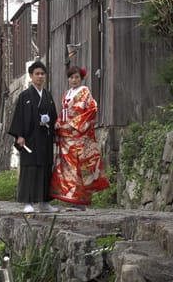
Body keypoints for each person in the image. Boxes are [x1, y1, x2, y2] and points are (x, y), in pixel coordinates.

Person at [50, 66, 109, 211]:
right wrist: (58, 122)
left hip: (79, 136)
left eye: (76, 77)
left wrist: (72, 124)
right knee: (68, 169)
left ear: (81, 78)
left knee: (80, 168)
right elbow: (63, 113)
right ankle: (72, 199)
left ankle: (80, 201)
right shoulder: (67, 94)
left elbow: (91, 110)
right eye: (71, 77)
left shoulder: (85, 92)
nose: (74, 80)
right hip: (66, 137)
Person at [8, 61, 59, 213]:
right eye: (37, 74)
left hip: (44, 137)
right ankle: (28, 202)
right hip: (29, 138)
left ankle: (44, 202)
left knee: (45, 168)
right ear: (31, 76)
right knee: (29, 169)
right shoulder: (25, 96)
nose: (40, 76)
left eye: (42, 74)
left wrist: (55, 130)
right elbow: (19, 117)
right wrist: (19, 135)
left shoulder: (48, 95)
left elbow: (54, 116)